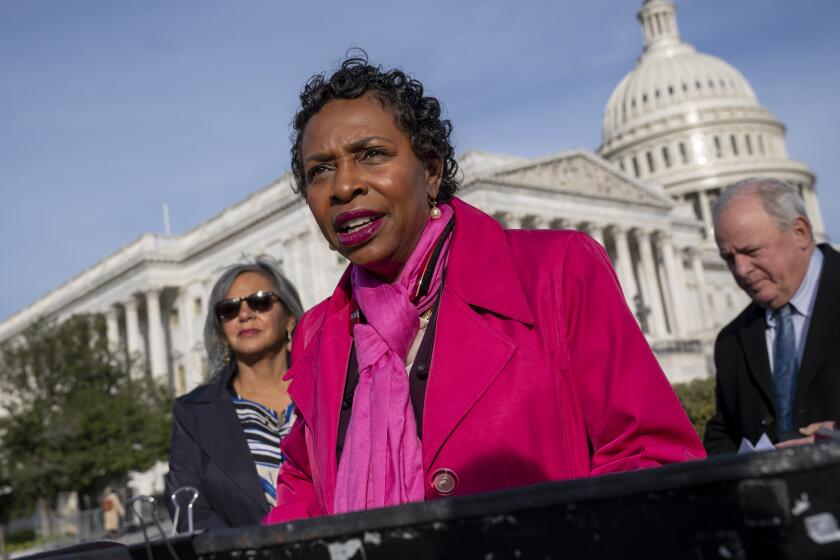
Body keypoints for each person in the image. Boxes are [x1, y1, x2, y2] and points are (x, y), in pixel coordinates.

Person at [263, 54, 704, 524]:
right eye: (320, 171)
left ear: (430, 170)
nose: (344, 185)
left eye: (371, 154)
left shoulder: (556, 271)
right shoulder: (319, 331)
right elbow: (305, 485)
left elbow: (649, 459)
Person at [165, 259, 304, 531]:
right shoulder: (194, 413)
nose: (244, 314)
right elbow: (189, 512)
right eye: (228, 309)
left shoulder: (331, 386)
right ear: (221, 330)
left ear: (289, 317)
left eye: (260, 302)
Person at [704, 178, 839, 454]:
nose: (741, 270)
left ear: (800, 232)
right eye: (729, 258)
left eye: (751, 251)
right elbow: (725, 435)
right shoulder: (731, 342)